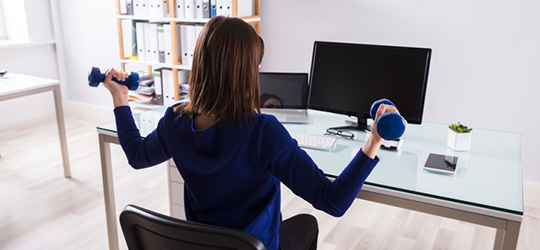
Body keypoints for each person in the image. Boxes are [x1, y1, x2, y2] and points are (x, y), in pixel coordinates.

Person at [104, 16, 400, 250]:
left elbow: (137, 155)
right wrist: (374, 140)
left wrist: (120, 98)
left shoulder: (175, 119)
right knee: (307, 223)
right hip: (251, 246)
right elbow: (332, 201)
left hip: (201, 244)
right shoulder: (263, 131)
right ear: (246, 72)